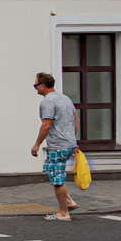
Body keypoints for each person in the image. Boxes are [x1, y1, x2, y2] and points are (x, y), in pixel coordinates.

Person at [30, 72, 79, 220]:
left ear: (43, 86)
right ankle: (69, 201)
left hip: (58, 145)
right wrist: (72, 138)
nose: (35, 88)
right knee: (52, 171)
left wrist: (37, 145)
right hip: (69, 143)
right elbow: (75, 120)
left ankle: (63, 213)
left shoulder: (48, 102)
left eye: (36, 85)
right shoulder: (65, 98)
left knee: (57, 178)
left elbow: (46, 125)